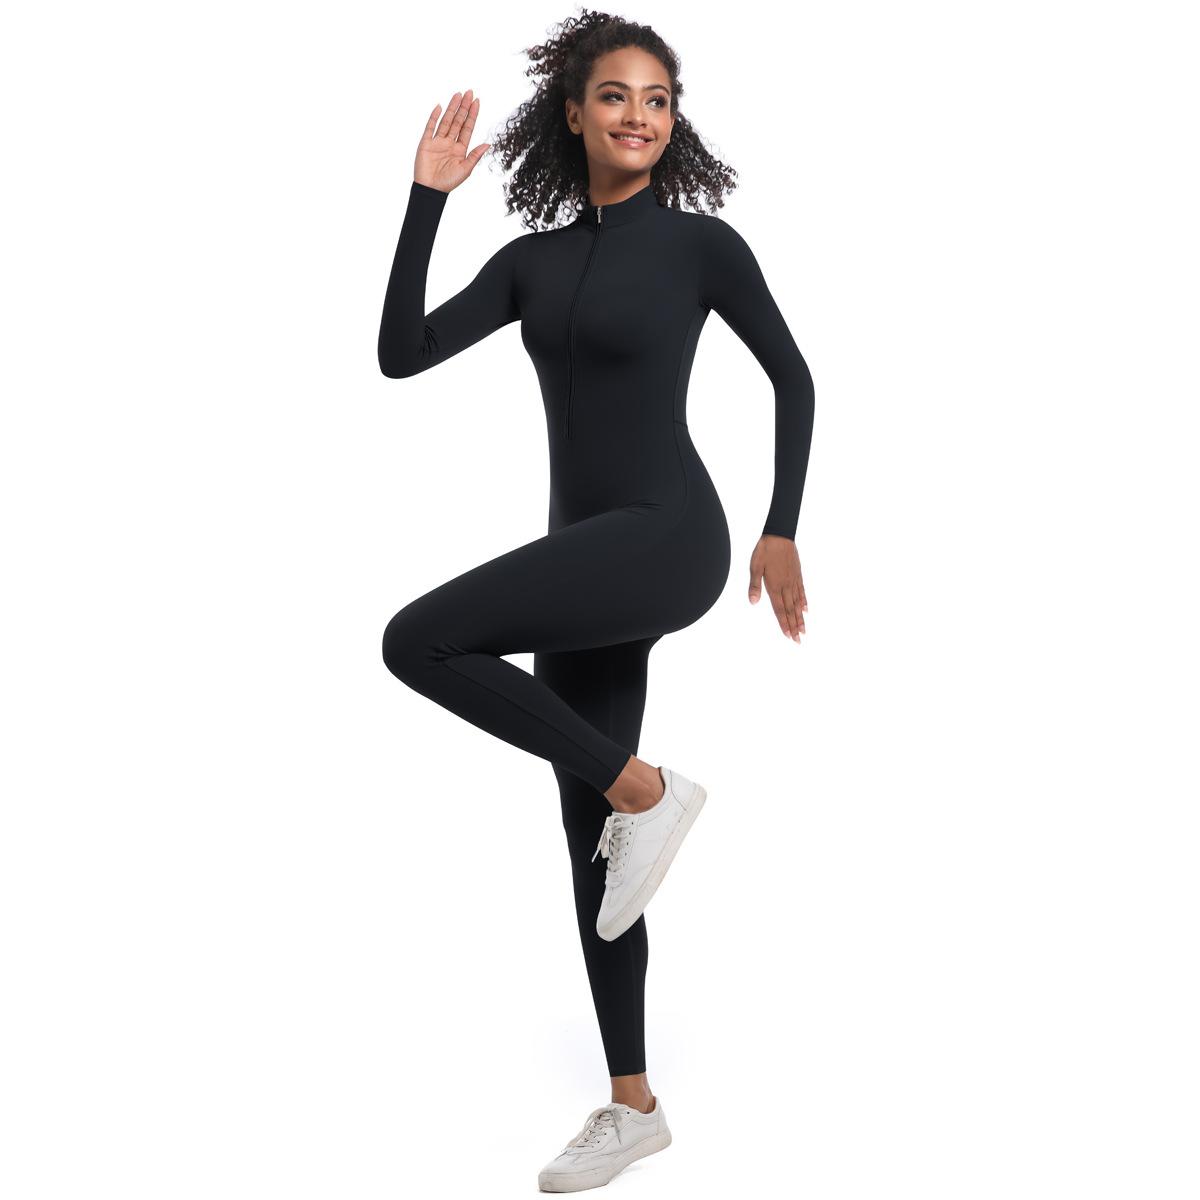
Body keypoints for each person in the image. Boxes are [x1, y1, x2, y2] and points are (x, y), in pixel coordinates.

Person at [377, 15, 813, 1192]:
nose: (639, 117)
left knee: (418, 639)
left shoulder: (701, 246)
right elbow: (402, 352)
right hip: (585, 556)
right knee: (597, 847)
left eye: (658, 100)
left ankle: (651, 790)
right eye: (616, 96)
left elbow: (792, 374)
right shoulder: (531, 263)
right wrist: (426, 201)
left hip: (670, 535)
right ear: (571, 113)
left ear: (675, 121)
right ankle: (634, 1107)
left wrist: (781, 526)